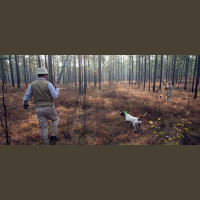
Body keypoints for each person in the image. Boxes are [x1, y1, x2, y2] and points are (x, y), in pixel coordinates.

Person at [23, 67, 60, 145]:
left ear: (38, 75)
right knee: (55, 119)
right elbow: (55, 96)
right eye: (46, 74)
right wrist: (57, 89)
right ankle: (53, 134)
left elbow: (26, 96)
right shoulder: (48, 84)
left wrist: (25, 104)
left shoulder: (32, 85)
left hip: (38, 109)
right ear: (45, 75)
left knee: (43, 126)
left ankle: (45, 143)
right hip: (49, 107)